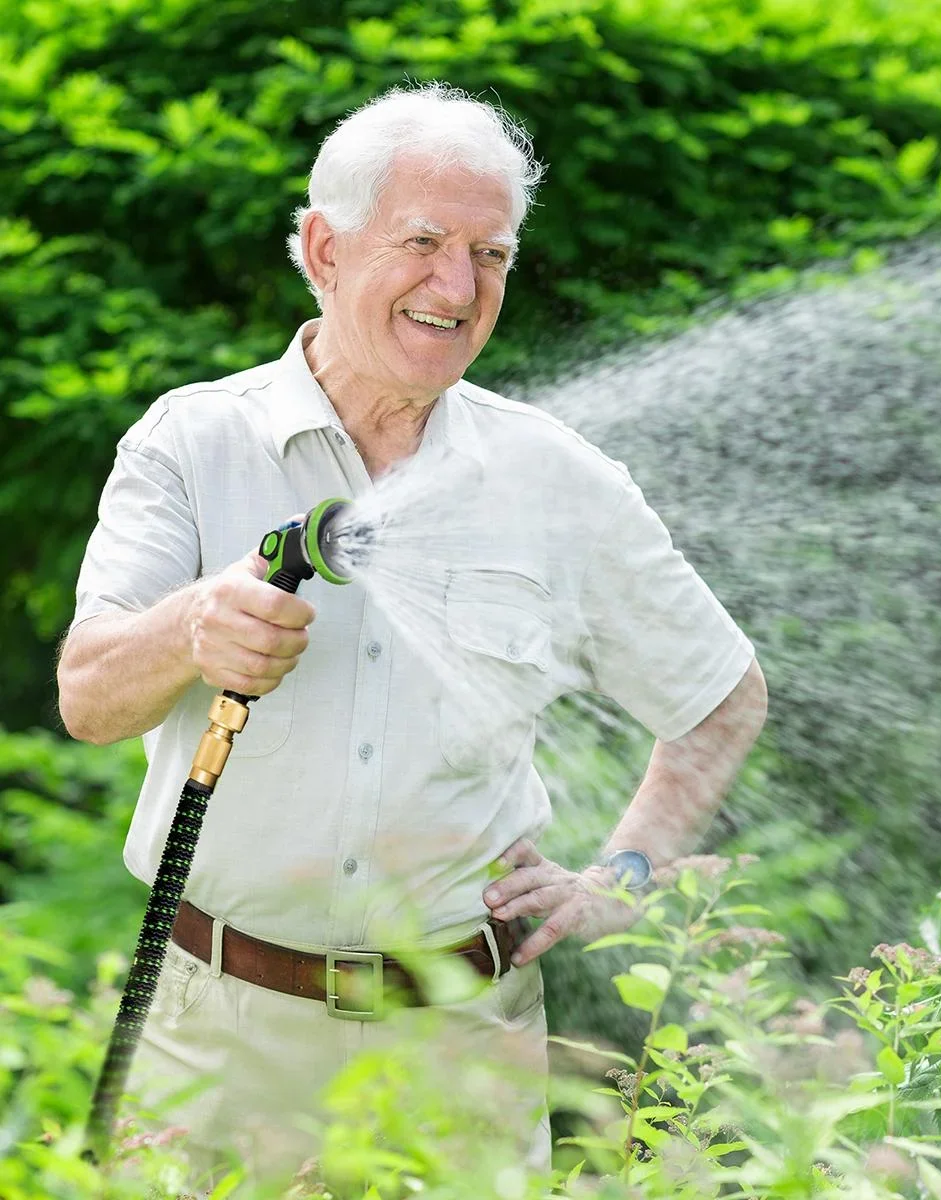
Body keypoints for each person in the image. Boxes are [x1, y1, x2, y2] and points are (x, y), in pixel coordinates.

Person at [56, 81, 768, 1194]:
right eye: (424, 242)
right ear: (324, 251)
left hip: (459, 1048)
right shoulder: (191, 443)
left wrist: (623, 876)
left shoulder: (557, 479)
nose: (458, 287)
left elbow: (722, 700)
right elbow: (90, 698)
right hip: (218, 1037)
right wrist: (194, 626)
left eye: (492, 253)